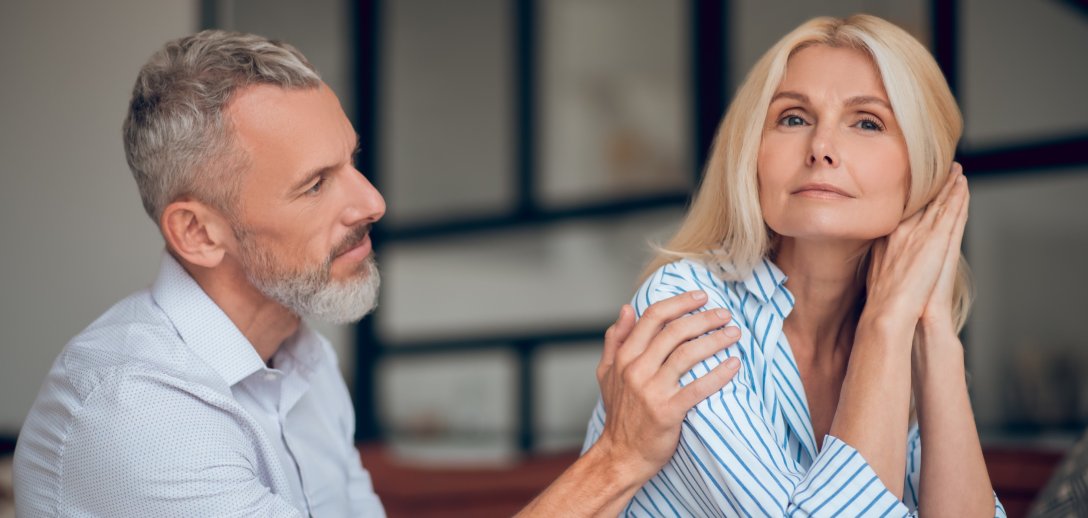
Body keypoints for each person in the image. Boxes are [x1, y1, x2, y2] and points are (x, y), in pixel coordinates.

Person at [12, 31, 745, 517]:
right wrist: (616, 459)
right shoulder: (137, 414)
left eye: (352, 161)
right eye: (315, 184)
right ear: (198, 233)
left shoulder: (302, 358)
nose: (371, 201)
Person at [583, 14, 1006, 517]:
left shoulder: (907, 336)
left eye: (867, 122)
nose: (821, 149)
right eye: (793, 118)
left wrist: (933, 331)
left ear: (924, 170)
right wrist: (885, 326)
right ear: (752, 154)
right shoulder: (686, 307)